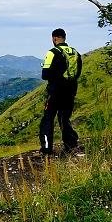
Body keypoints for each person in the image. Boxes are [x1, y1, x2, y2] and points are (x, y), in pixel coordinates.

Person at [39, 28, 82, 156]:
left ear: (54, 38)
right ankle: (71, 145)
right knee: (64, 118)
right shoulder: (75, 53)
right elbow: (78, 73)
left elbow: (45, 75)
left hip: (55, 91)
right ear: (64, 37)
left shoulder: (53, 52)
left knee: (48, 118)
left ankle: (46, 150)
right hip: (70, 91)